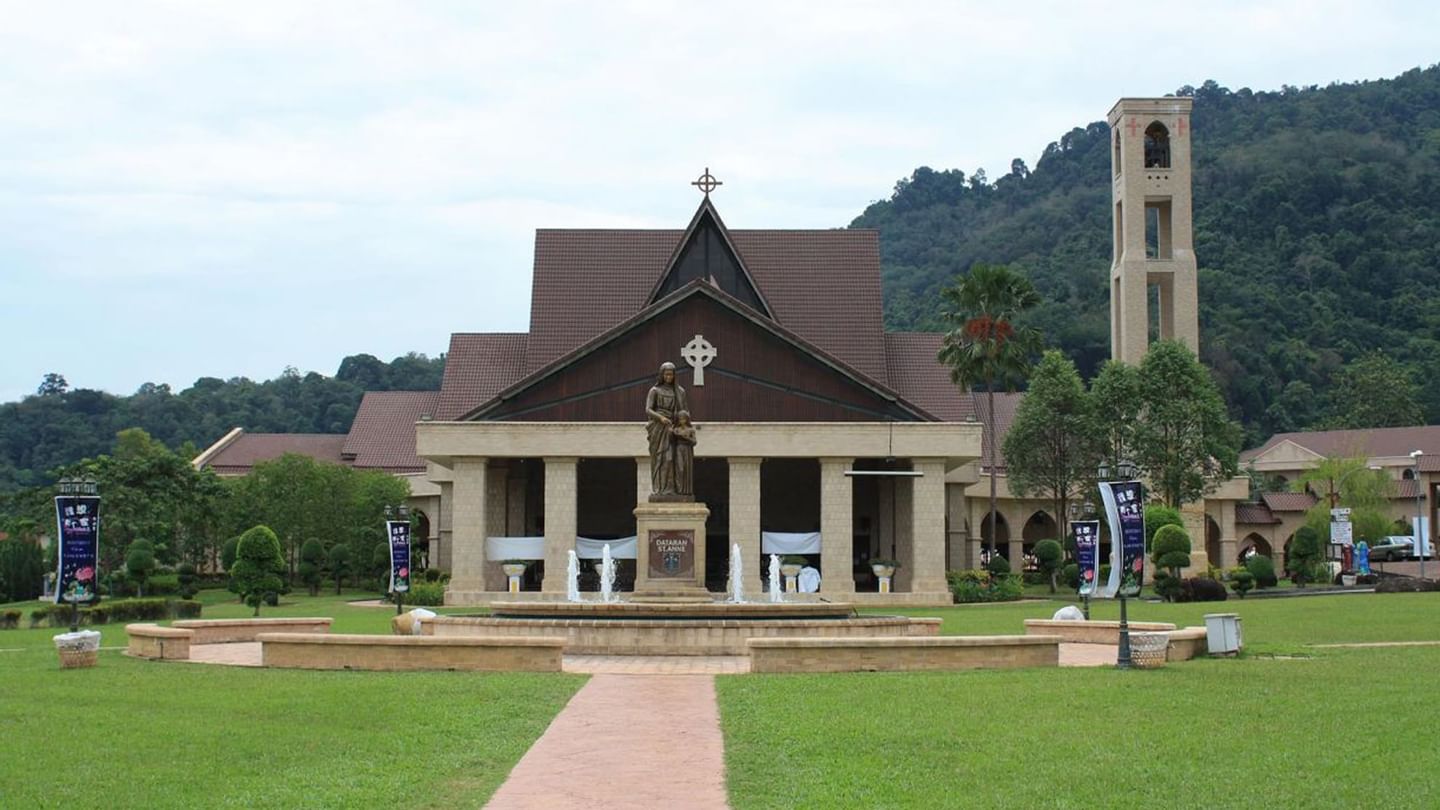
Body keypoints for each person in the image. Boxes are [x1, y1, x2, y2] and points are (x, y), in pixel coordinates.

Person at [645, 362, 688, 495]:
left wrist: (682, 424)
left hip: (672, 427)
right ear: (662, 375)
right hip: (658, 428)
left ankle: (671, 489)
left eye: (671, 374)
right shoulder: (654, 391)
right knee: (660, 458)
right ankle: (659, 489)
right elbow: (648, 409)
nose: (669, 377)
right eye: (666, 374)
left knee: (671, 458)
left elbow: (684, 411)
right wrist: (660, 418)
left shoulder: (679, 391)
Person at [670, 411, 696, 496]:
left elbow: (694, 442)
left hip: (687, 449)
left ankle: (686, 491)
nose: (682, 421)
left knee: (686, 469)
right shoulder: (676, 429)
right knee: (679, 469)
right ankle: (679, 490)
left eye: (683, 419)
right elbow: (671, 440)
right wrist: (671, 432)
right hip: (679, 448)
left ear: (687, 419)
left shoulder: (691, 430)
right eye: (680, 419)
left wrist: (686, 438)